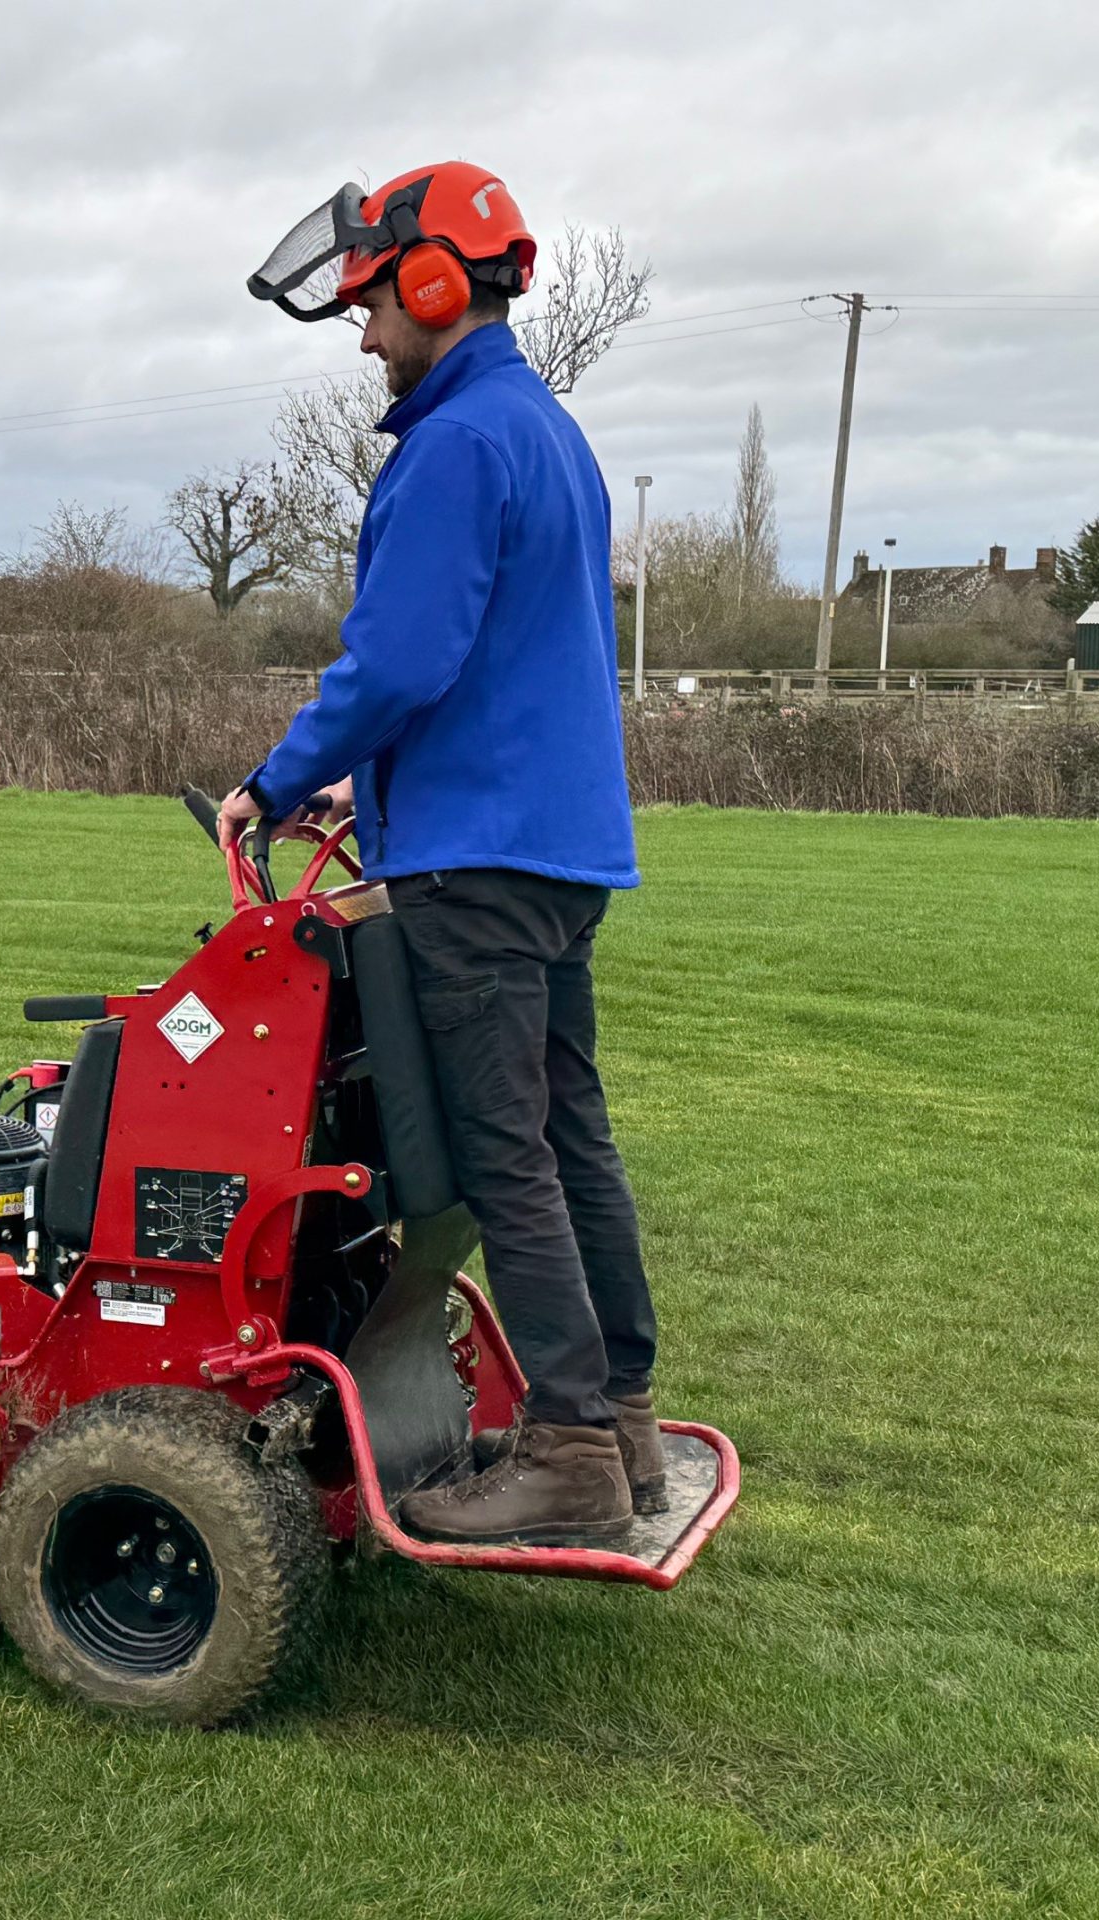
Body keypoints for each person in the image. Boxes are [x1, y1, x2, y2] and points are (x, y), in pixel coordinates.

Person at [217, 162, 662, 1544]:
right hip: (555, 851)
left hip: (480, 862)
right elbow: (498, 664)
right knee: (572, 1140)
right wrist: (375, 795)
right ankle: (626, 1423)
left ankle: (572, 1454)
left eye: (370, 309)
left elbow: (401, 658)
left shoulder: (457, 445)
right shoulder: (547, 431)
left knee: (499, 1153)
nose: (363, 338)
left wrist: (278, 781)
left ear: (431, 286)